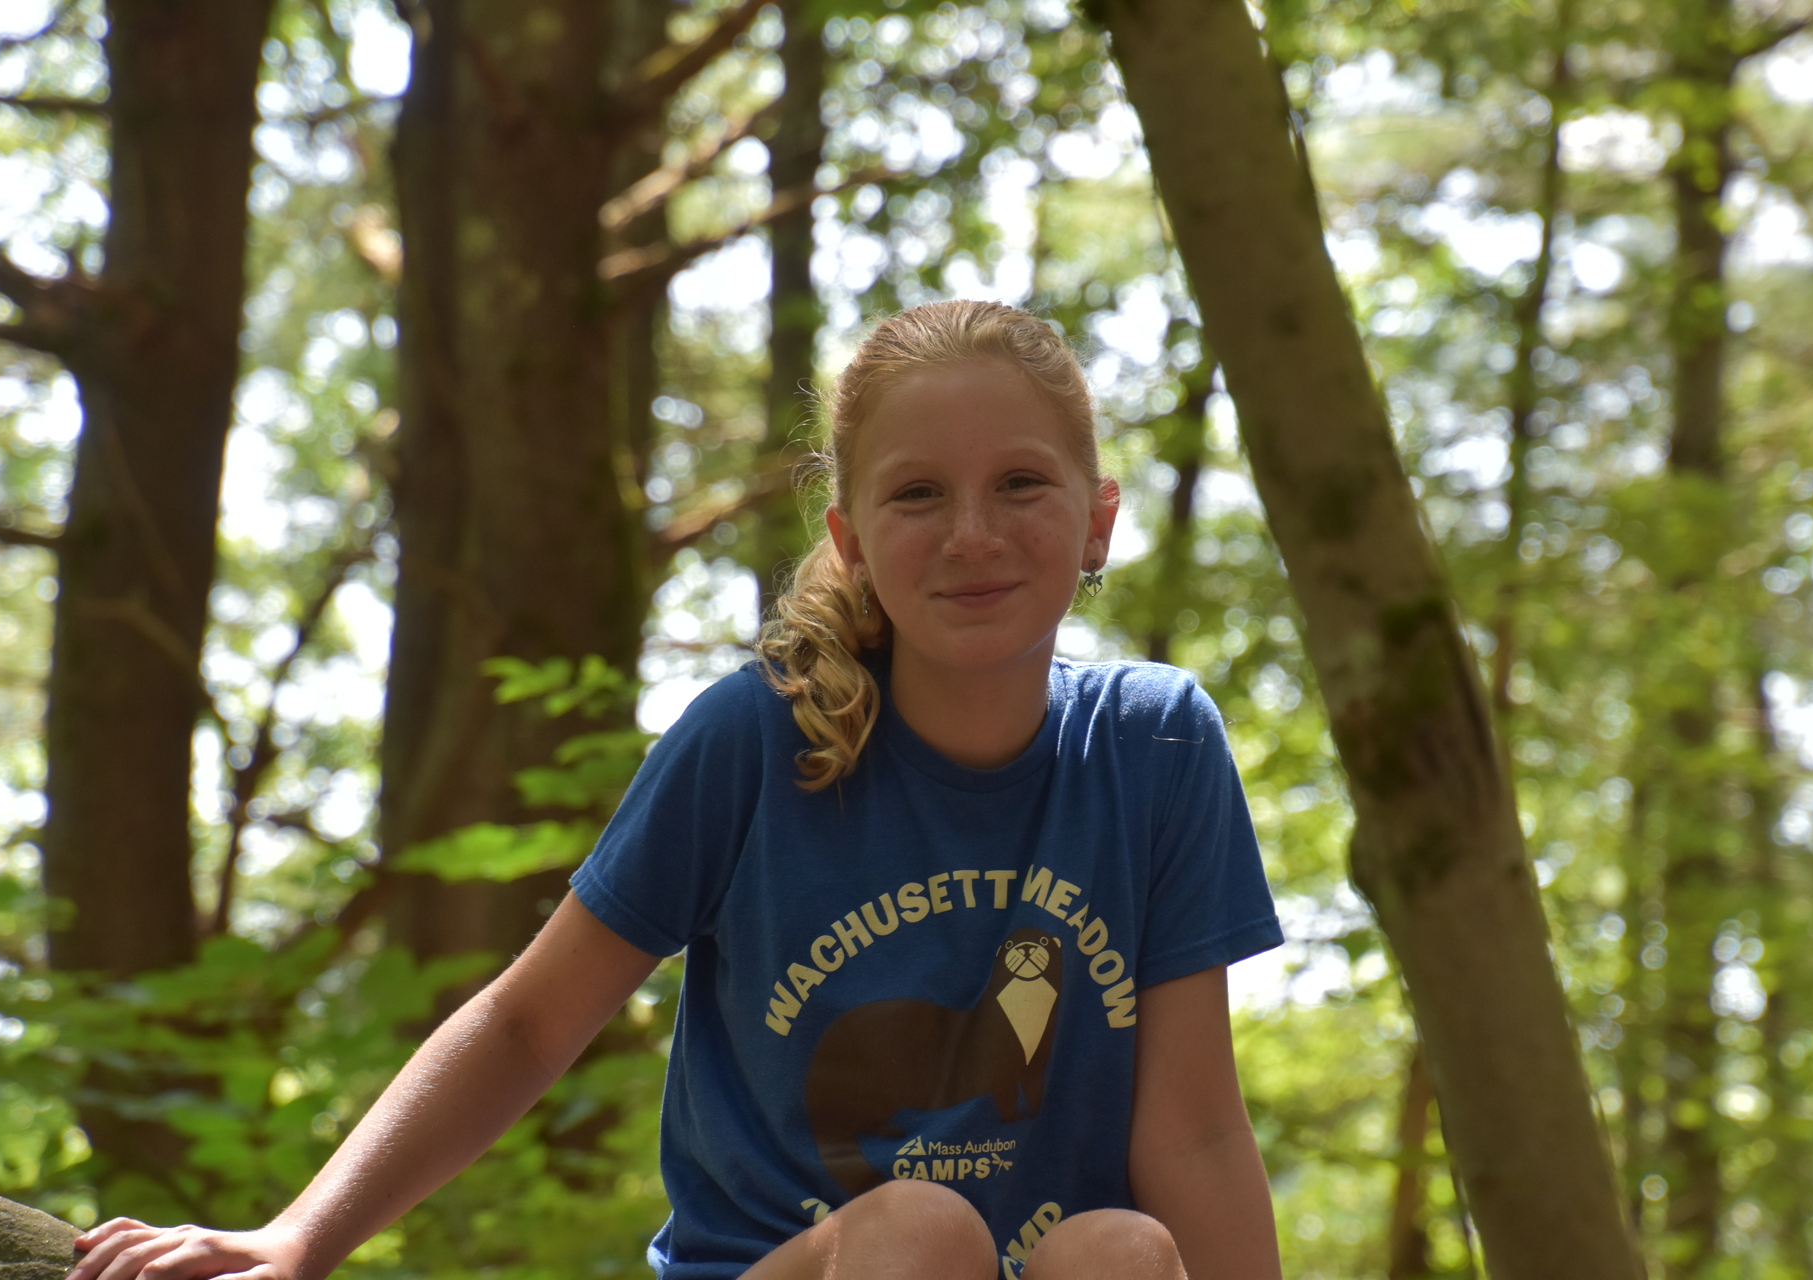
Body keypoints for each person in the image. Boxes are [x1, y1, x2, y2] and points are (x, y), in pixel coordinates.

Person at [65, 301, 1285, 1280]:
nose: (972, 533)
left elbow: (1191, 1132)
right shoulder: (762, 737)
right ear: (850, 537)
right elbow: (529, 1020)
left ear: (1098, 522)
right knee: (919, 1229)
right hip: (799, 1262)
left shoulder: (1154, 744)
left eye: (1022, 483)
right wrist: (300, 1237)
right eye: (918, 492)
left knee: (1120, 1248)